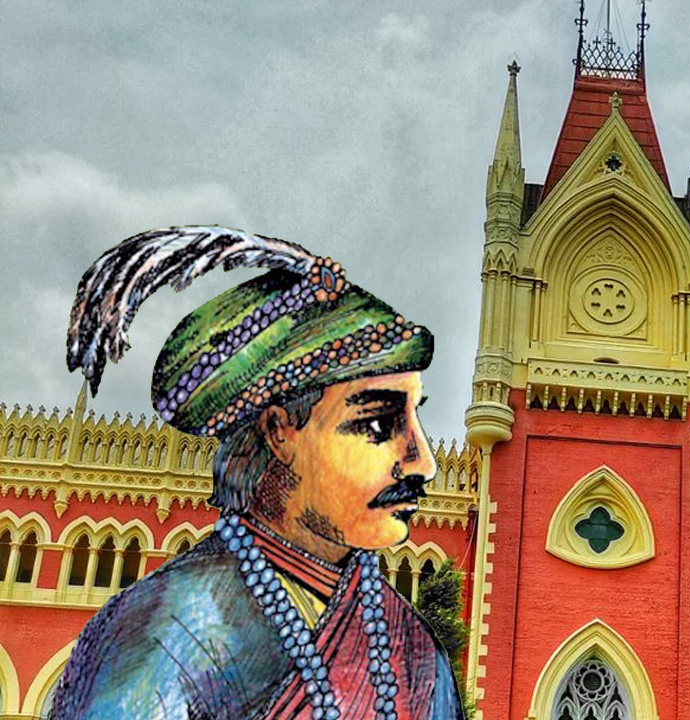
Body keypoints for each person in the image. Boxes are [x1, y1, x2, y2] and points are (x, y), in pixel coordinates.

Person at [51, 226, 465, 719]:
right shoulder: (167, 634)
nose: (423, 462)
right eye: (377, 424)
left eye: (416, 418)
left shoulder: (417, 655)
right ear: (279, 431)